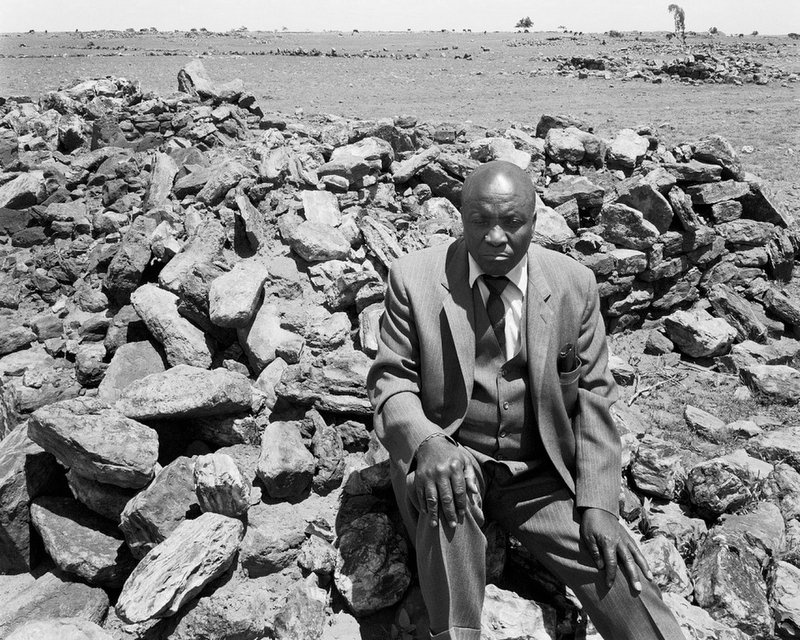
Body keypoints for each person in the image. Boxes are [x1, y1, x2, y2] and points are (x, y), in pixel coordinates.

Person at [366, 160, 686, 640]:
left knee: (620, 574)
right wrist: (428, 443)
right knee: (442, 495)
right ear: (461, 216)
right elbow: (391, 382)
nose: (496, 236)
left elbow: (594, 398)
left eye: (512, 222)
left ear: (535, 222)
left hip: (540, 475)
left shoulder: (574, 285)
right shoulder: (413, 279)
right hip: (456, 456)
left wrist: (599, 504)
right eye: (481, 221)